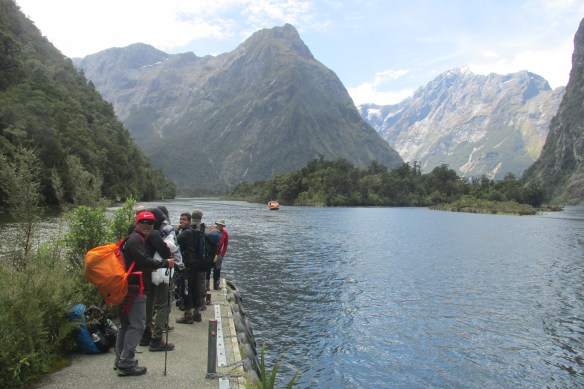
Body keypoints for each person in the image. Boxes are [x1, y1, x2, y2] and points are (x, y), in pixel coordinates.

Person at [115, 211, 174, 376]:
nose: (147, 225)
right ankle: (126, 363)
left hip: (127, 287)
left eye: (150, 223)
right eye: (144, 222)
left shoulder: (134, 238)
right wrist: (165, 263)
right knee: (137, 325)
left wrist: (152, 266)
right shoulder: (136, 239)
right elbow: (143, 260)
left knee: (126, 325)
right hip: (135, 289)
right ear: (137, 223)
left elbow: (139, 262)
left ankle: (120, 360)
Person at [140, 207, 177, 352]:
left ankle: (145, 335)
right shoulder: (154, 234)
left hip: (146, 271)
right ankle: (156, 339)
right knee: (164, 304)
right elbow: (165, 251)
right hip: (159, 272)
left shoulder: (137, 233)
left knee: (149, 303)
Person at [176, 209, 207, 324]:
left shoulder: (186, 233)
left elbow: (174, 243)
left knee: (186, 290)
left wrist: (177, 229)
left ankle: (188, 315)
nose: (181, 221)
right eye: (180, 219)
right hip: (196, 265)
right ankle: (197, 314)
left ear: (189, 221)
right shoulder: (196, 231)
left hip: (187, 266)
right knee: (195, 289)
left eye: (183, 220)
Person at [207, 219, 229, 290]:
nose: (220, 226)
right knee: (208, 269)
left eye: (222, 225)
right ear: (217, 225)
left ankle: (216, 286)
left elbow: (225, 245)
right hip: (210, 253)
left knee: (217, 270)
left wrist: (222, 255)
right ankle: (206, 285)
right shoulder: (210, 230)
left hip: (218, 254)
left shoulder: (225, 233)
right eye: (219, 225)